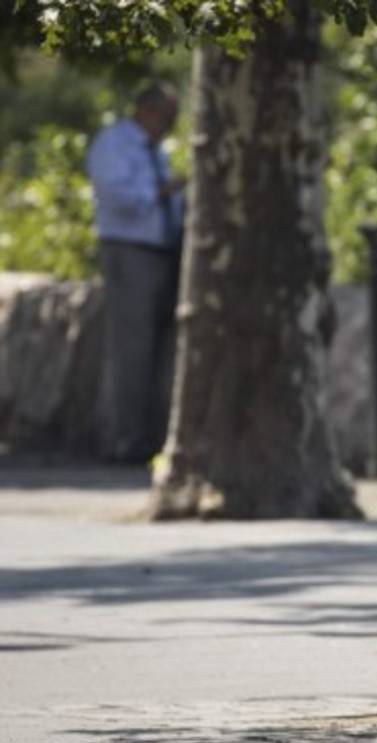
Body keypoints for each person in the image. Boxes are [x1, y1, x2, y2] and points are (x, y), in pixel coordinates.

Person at [86, 82, 186, 463]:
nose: (169, 126)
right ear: (148, 110)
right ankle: (123, 439)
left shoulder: (156, 151)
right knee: (131, 350)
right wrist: (162, 193)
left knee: (159, 351)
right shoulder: (114, 144)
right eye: (167, 117)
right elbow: (118, 197)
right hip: (129, 251)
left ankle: (150, 436)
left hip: (164, 252)